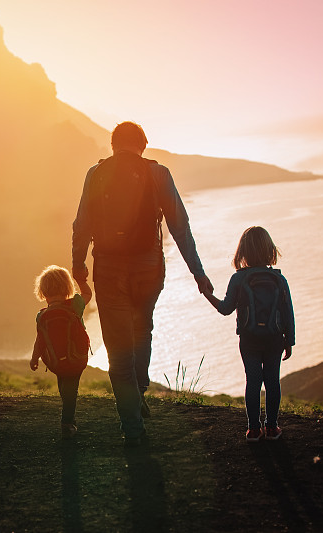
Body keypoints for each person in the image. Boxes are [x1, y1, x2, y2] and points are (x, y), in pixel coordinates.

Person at [72, 121, 213, 446]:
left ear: (113, 145)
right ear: (143, 145)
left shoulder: (96, 174)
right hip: (149, 267)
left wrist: (79, 266)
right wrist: (198, 273)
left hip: (107, 269)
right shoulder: (157, 173)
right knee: (143, 329)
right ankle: (141, 394)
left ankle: (132, 427)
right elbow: (180, 225)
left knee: (119, 353)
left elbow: (82, 224)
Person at [202, 226, 295, 442]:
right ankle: (271, 428)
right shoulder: (279, 279)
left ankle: (253, 430)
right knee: (272, 381)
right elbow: (287, 312)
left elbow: (225, 309)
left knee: (253, 381)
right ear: (270, 249)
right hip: (274, 339)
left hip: (249, 339)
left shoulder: (238, 279)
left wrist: (207, 294)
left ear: (242, 251)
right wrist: (289, 341)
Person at [30, 265, 93, 439]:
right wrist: (82, 281)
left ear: (43, 291)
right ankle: (67, 422)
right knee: (71, 389)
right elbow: (88, 295)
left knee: (64, 385)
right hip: (76, 358)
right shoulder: (75, 304)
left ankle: (68, 415)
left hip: (55, 362)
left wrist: (34, 358)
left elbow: (40, 340)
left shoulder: (41, 315)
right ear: (67, 287)